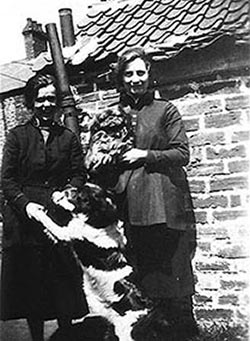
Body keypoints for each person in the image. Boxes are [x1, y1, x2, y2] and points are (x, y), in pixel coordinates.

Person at [113, 47, 199, 339]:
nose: (135, 79)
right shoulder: (116, 114)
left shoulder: (166, 110)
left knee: (175, 277)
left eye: (140, 72)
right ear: (121, 78)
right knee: (144, 278)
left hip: (164, 205)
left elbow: (182, 153)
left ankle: (183, 334)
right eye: (129, 74)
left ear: (149, 74)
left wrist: (144, 154)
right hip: (131, 206)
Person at [0, 73, 89, 341]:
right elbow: (7, 179)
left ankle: (65, 334)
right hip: (26, 223)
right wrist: (26, 206)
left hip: (58, 219)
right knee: (33, 287)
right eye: (41, 99)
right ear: (31, 103)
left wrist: (68, 192)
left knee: (62, 284)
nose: (47, 104)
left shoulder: (68, 137)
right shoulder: (18, 137)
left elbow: (79, 173)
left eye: (51, 98)